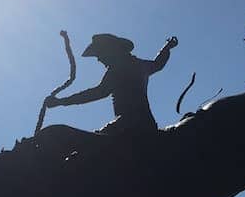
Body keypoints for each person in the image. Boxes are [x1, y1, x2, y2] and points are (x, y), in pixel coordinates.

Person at [44, 33, 178, 136]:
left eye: (99, 54)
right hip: (146, 123)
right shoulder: (139, 65)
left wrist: (60, 102)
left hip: (127, 125)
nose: (98, 59)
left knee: (91, 146)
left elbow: (98, 92)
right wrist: (166, 48)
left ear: (111, 51)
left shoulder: (118, 69)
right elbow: (157, 64)